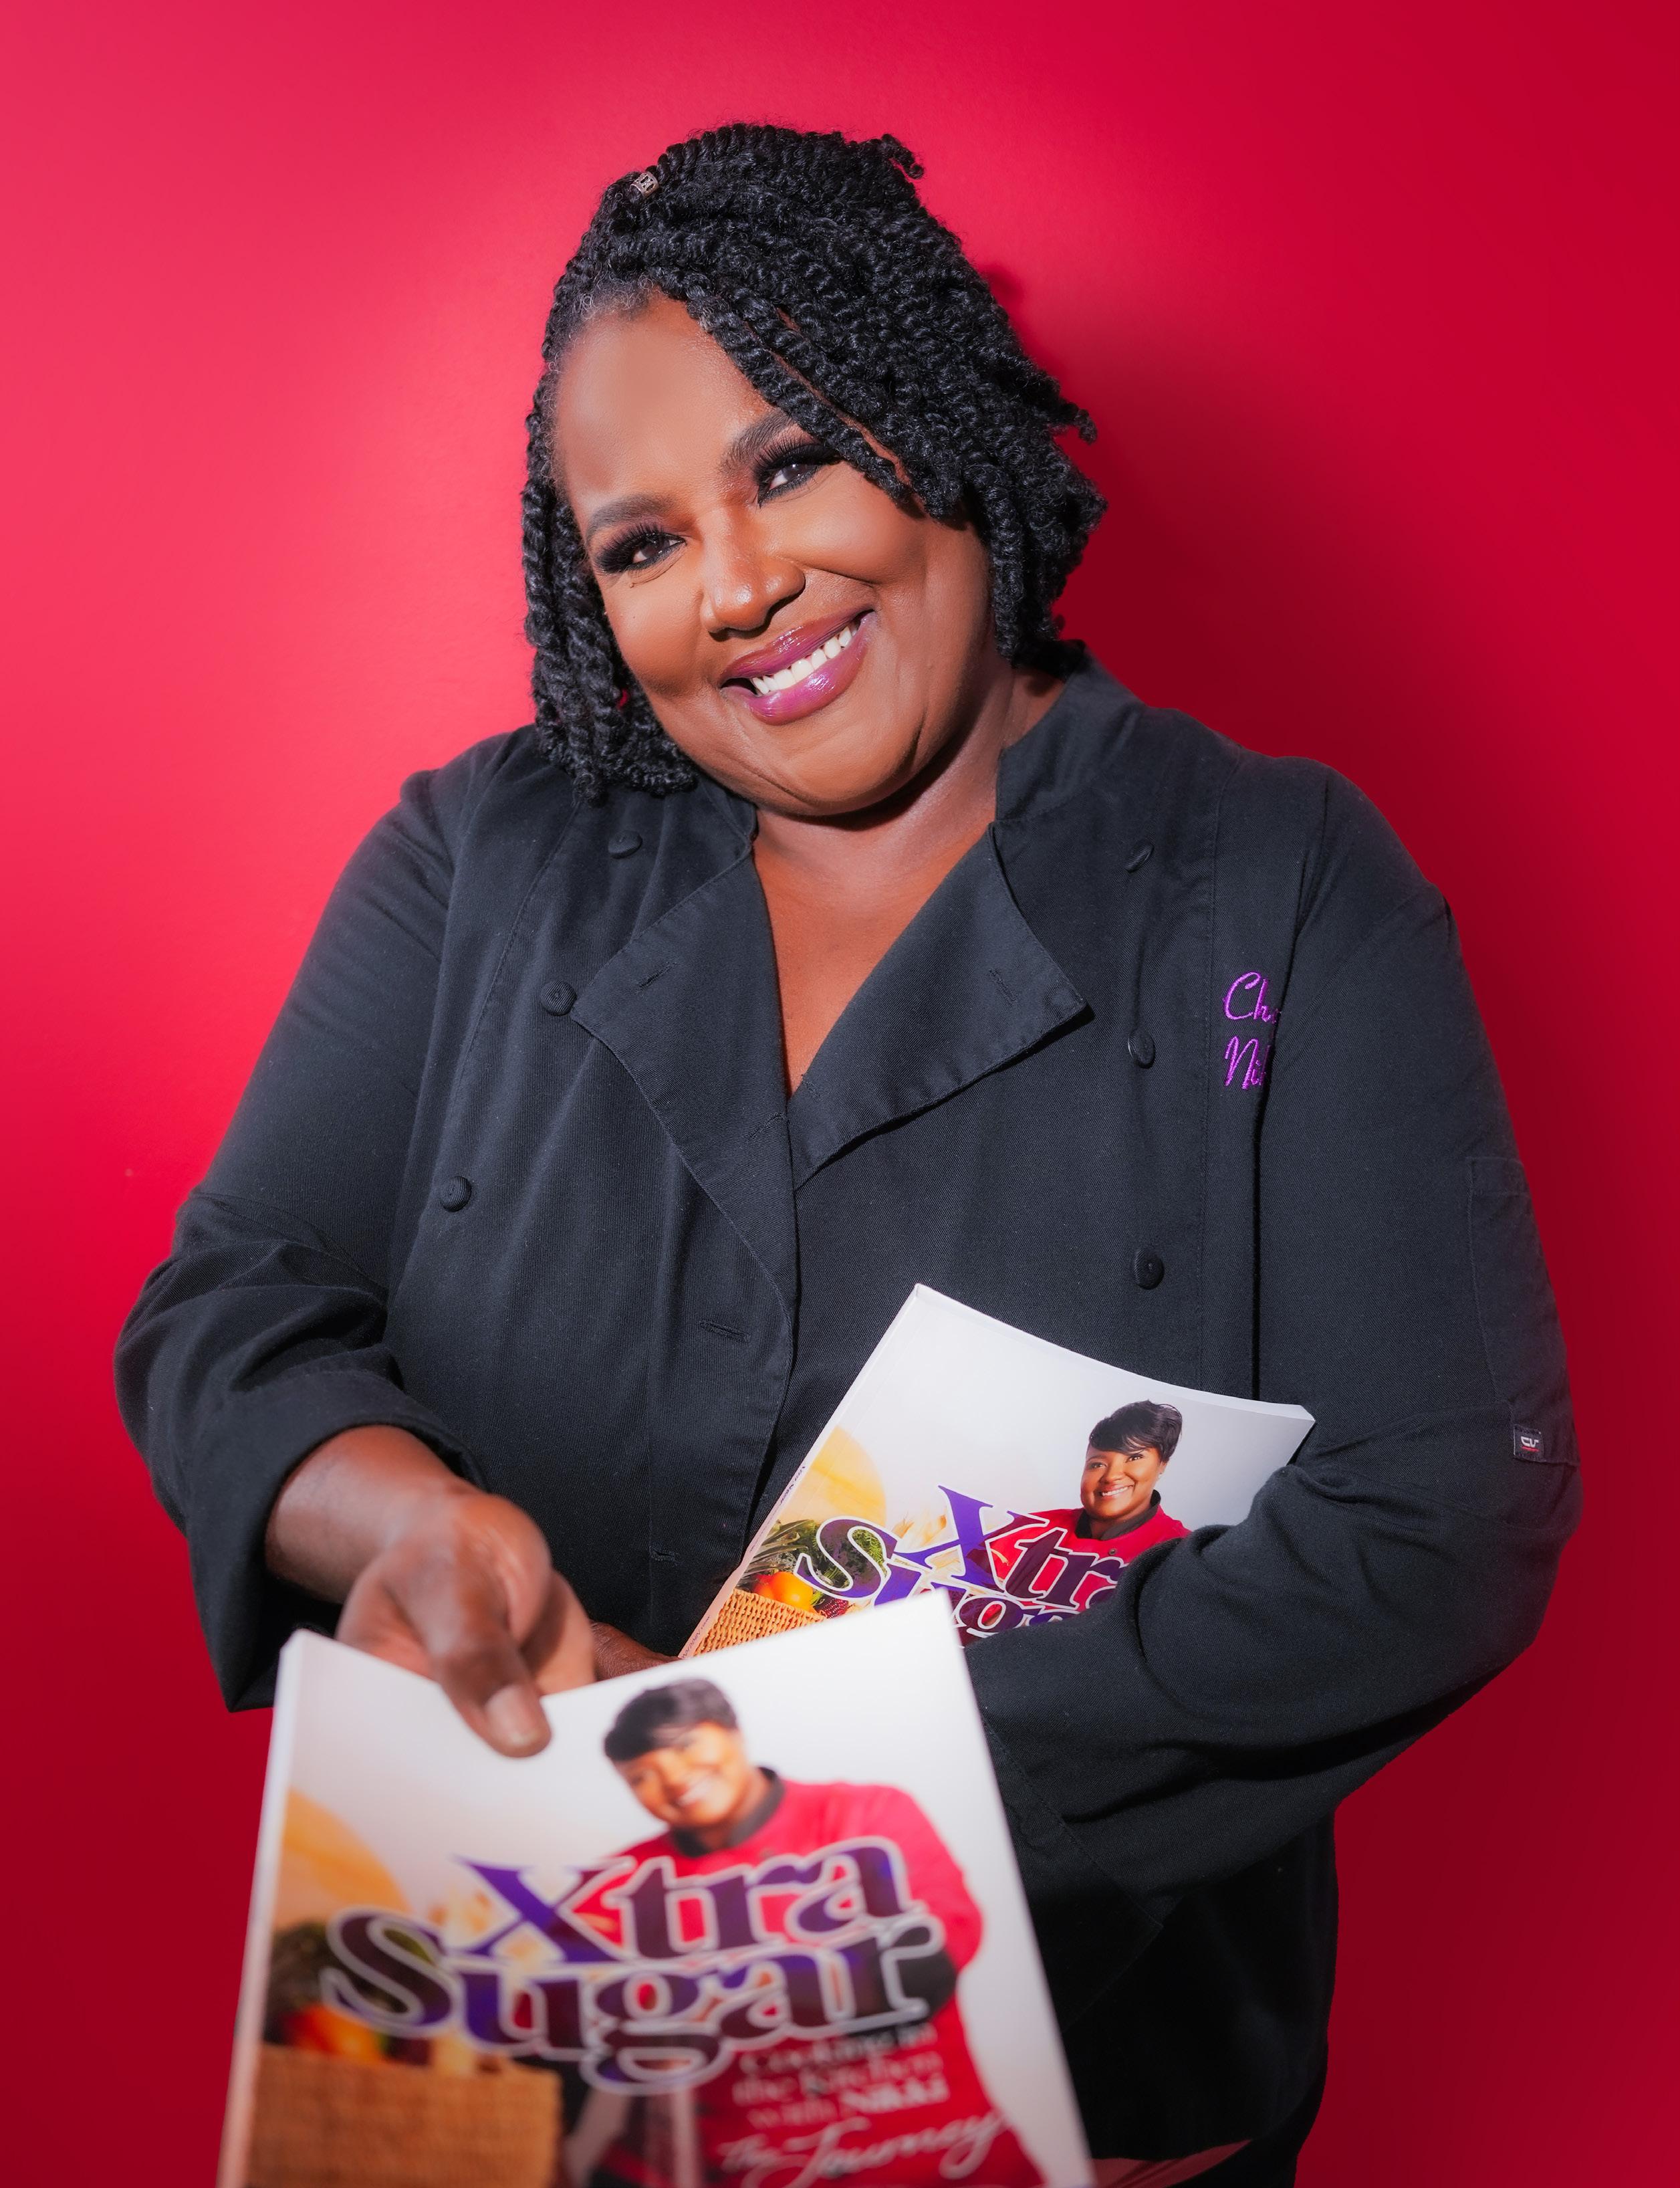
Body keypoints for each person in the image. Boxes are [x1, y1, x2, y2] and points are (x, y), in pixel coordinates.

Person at [116, 124, 1579, 2182]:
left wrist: (826, 1776)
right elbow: (230, 1306)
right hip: (541, 2085)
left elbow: (1441, 1514)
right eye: (641, 544)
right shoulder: (477, 859)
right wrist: (403, 1520)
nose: (735, 588)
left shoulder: (1278, 885)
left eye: (791, 461)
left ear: (938, 415)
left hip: (1092, 2109)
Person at [580, 1676, 1042, 2188]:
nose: (673, 1779)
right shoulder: (616, 1883)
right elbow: (562, 2038)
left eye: (686, 1745)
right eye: (641, 1775)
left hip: (937, 2154)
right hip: (722, 2166)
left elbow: (932, 1958)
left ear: (733, 1731)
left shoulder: (868, 1813)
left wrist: (723, 1997)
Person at [988, 1403, 1191, 1618]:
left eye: (1134, 1458)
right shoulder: (1031, 1530)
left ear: (1162, 1464)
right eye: (1097, 1464)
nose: (1111, 1476)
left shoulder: (1181, 1556)